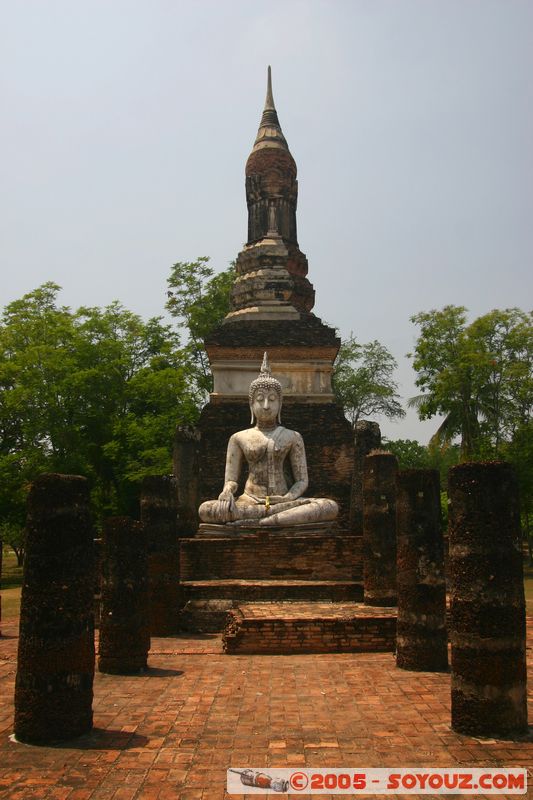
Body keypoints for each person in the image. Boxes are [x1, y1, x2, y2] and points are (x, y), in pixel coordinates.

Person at [198, 353, 338, 527]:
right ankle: (272, 520)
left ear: (280, 404)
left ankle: (263, 522)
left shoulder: (293, 437)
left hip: (284, 502)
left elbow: (302, 480)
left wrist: (287, 498)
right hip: (248, 503)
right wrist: (227, 491)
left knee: (329, 507)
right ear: (251, 404)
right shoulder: (238, 437)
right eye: (259, 399)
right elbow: (231, 480)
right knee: (206, 510)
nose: (266, 405)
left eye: (272, 399)